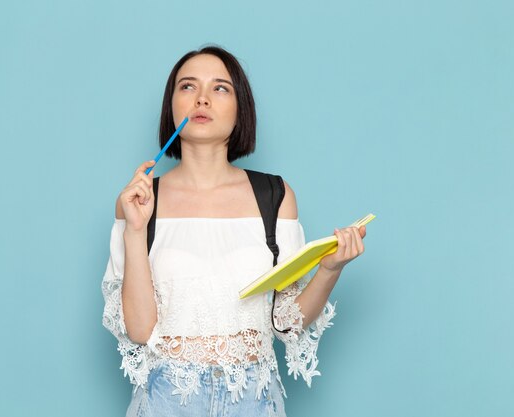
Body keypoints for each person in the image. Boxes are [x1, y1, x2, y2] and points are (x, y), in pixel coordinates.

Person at [101, 45, 367, 417]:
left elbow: (285, 322)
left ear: (240, 109)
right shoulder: (142, 201)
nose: (203, 99)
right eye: (188, 87)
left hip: (255, 400)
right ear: (172, 106)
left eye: (220, 88)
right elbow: (141, 331)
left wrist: (330, 269)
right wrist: (134, 230)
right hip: (167, 401)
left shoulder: (274, 196)